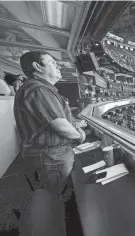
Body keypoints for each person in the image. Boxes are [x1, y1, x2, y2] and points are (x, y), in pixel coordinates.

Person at [13, 51, 86, 234]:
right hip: (50, 156)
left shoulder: (38, 88)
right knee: (55, 202)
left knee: (51, 199)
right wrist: (78, 135)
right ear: (38, 67)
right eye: (52, 62)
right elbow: (61, 126)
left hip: (45, 155)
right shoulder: (38, 89)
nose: (58, 66)